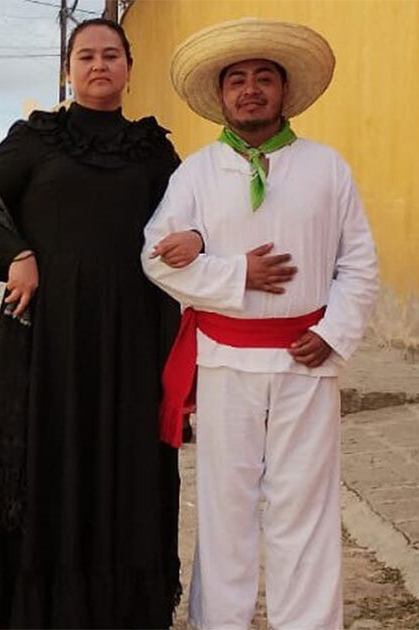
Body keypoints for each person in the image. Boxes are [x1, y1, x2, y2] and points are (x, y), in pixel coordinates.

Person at [0, 19, 183, 628]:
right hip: (45, 335)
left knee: (125, 460)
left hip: (131, 336)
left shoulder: (153, 151)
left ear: (130, 67)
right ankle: (36, 606)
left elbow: (193, 223)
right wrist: (16, 256)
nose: (99, 65)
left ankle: (119, 608)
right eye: (86, 56)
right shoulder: (37, 140)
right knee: (42, 457)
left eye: (111, 55)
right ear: (68, 70)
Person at [143, 18, 379, 628]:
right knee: (227, 507)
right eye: (238, 80)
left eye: (264, 79)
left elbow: (359, 262)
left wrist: (332, 334)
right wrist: (231, 273)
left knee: (304, 506)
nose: (250, 90)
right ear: (221, 96)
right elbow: (154, 255)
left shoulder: (328, 168)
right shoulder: (195, 173)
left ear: (283, 91)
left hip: (306, 362)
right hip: (225, 360)